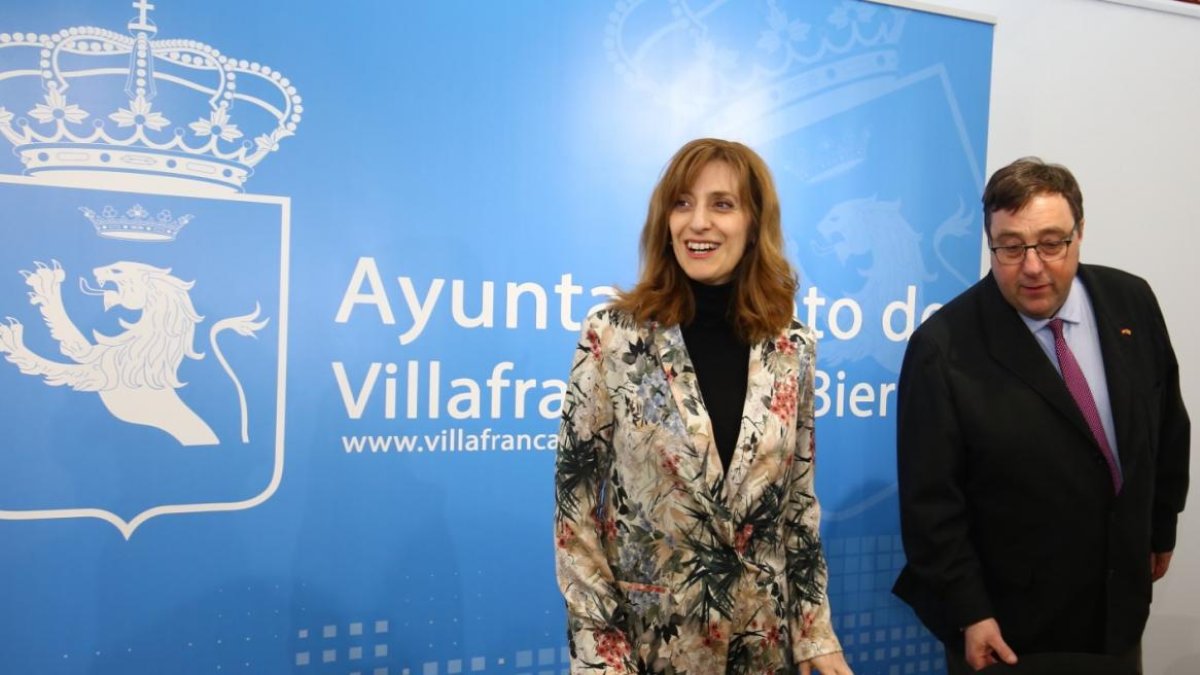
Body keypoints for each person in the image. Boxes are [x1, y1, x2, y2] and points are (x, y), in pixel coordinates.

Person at [553, 138, 851, 675]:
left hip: (764, 650)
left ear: (754, 222)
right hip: (648, 652)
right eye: (682, 203)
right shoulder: (613, 336)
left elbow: (797, 510)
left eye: (722, 204)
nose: (698, 223)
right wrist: (603, 657)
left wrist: (815, 636)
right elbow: (576, 511)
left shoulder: (793, 347)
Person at [893, 157, 1190, 673]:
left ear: (1079, 234)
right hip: (1008, 633)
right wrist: (971, 612)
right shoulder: (943, 348)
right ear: (991, 243)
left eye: (1052, 242)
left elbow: (1167, 427)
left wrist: (1160, 528)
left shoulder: (1131, 303)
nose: (1032, 265)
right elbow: (930, 505)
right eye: (1010, 246)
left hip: (1115, 613)